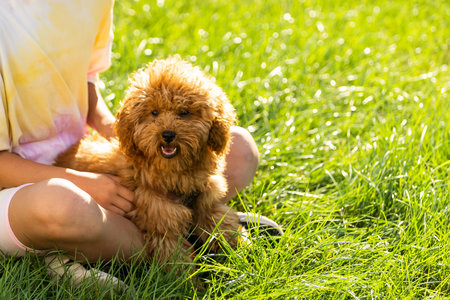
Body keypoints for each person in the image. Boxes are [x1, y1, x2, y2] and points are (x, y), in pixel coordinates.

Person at [0, 1, 261, 264]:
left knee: (241, 150)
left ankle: (186, 226)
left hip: (79, 148)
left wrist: (128, 137)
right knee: (64, 204)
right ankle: (176, 247)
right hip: (16, 186)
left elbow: (84, 81)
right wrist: (85, 184)